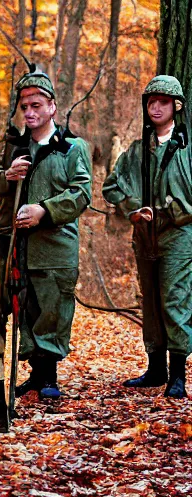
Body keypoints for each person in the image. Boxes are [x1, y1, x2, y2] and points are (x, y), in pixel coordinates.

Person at [0, 71, 92, 399]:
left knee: (52, 310)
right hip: (17, 247)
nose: (30, 112)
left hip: (55, 246)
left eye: (36, 105)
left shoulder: (72, 148)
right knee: (25, 308)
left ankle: (49, 378)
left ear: (52, 107)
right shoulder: (15, 147)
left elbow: (81, 193)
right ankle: (35, 376)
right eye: (24, 107)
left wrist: (43, 211)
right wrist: (7, 175)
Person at [103, 75, 191, 399]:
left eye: (163, 102)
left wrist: (173, 208)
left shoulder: (187, 149)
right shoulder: (137, 150)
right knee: (151, 302)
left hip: (178, 234)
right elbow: (111, 186)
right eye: (151, 101)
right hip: (144, 235)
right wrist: (133, 209)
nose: (156, 107)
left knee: (175, 300)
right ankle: (156, 369)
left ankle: (178, 376)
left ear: (176, 106)